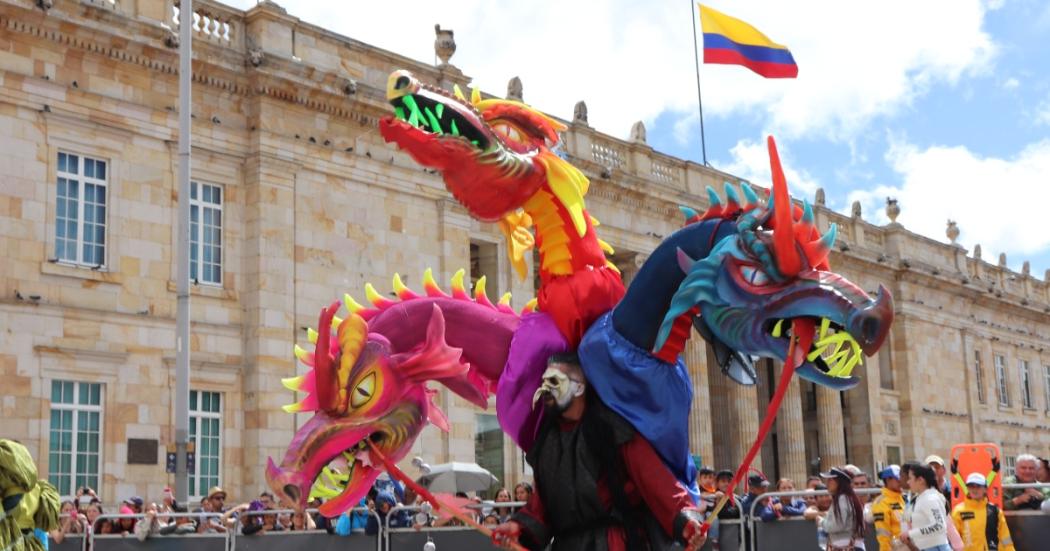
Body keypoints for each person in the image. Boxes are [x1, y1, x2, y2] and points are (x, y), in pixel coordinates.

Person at [490, 353, 706, 550]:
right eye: (544, 382)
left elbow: (654, 479)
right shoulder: (548, 442)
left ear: (579, 388)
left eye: (554, 381)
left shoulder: (613, 429)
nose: (546, 388)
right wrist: (518, 526)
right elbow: (542, 503)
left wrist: (686, 519)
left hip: (613, 544)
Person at [951, 473, 1014, 551]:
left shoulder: (995, 511)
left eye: (978, 486)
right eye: (971, 486)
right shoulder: (958, 511)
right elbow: (953, 539)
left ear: (985, 489)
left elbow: (1005, 537)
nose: (974, 490)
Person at [900, 464, 950, 551]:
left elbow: (939, 526)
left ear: (920, 480)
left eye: (910, 478)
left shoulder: (929, 499)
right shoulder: (923, 498)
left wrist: (910, 534)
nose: (908, 482)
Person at [820, 467, 866, 551]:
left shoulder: (842, 499)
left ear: (839, 482)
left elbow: (837, 526)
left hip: (846, 546)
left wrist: (821, 522)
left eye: (830, 480)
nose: (827, 483)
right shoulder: (847, 498)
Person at [870, 465, 907, 551]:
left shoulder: (903, 498)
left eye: (902, 479)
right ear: (888, 480)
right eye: (898, 479)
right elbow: (882, 533)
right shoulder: (881, 502)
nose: (901, 482)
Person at [803, 485, 833, 550]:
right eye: (821, 496)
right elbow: (807, 514)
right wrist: (825, 513)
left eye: (827, 495)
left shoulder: (836, 505)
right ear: (816, 499)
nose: (824, 499)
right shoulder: (815, 507)